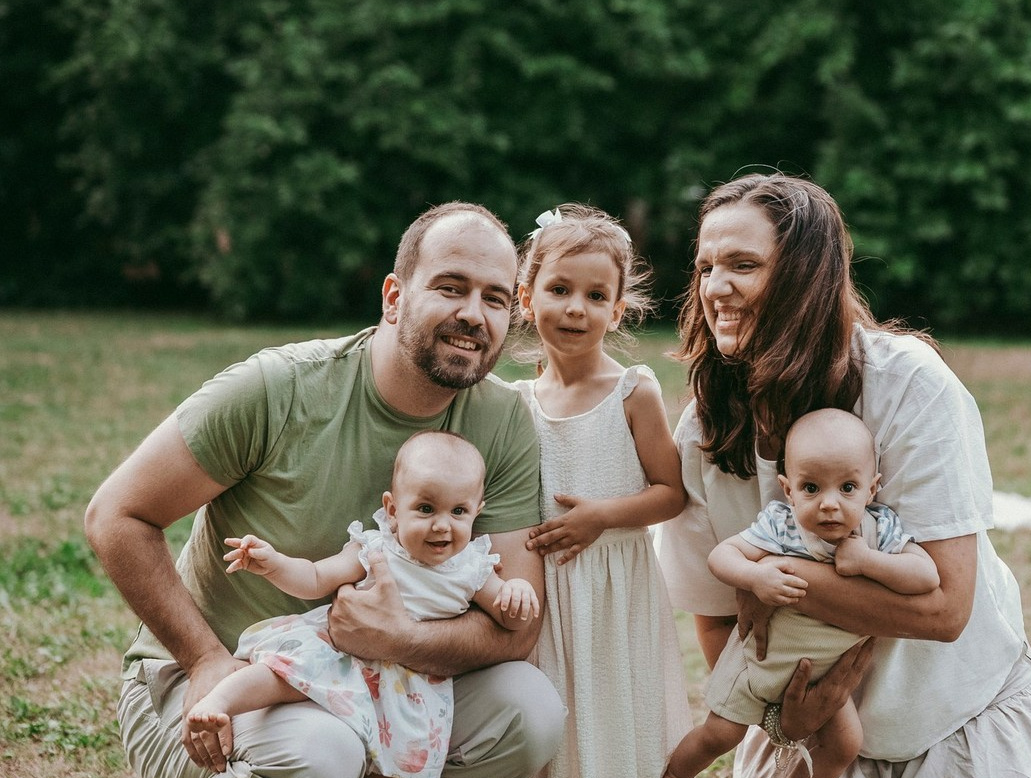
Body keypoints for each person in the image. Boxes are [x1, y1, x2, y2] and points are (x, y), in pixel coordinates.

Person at [84, 202, 565, 778]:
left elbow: (516, 627)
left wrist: (398, 638)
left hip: (388, 686)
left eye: (494, 298)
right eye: (450, 287)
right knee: (323, 751)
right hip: (232, 681)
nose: (473, 314)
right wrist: (204, 659)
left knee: (529, 710)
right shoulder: (277, 388)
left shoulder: (503, 420)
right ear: (393, 297)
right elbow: (117, 514)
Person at [656, 173, 1031, 778]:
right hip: (809, 734)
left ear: (805, 277)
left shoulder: (910, 386)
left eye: (742, 265)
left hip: (954, 721)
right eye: (704, 268)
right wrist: (781, 716)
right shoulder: (706, 427)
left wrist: (777, 574)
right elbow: (720, 617)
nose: (715, 287)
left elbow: (944, 611)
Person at [187, 431, 540, 778]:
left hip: (409, 677)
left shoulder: (471, 568)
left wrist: (518, 591)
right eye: (426, 508)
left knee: (399, 755)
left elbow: (509, 619)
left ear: (476, 512)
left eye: (458, 511)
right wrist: (274, 564)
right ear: (392, 510)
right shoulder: (376, 547)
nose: (441, 525)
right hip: (342, 653)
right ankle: (219, 703)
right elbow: (315, 578)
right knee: (288, 675)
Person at [512, 204, 692, 778]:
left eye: (595, 297)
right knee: (558, 724)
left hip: (614, 587)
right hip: (551, 590)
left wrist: (604, 516)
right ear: (526, 298)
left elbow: (672, 492)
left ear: (617, 311)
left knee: (617, 714)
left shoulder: (631, 392)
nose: (575, 308)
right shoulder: (517, 403)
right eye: (559, 289)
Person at [663, 409, 938, 778]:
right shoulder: (783, 524)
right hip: (760, 664)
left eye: (847, 488)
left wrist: (869, 561)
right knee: (719, 735)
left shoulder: (880, 531)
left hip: (822, 676)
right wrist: (755, 576)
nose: (829, 503)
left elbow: (926, 577)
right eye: (811, 488)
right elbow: (721, 556)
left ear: (871, 489)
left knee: (845, 745)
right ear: (789, 489)